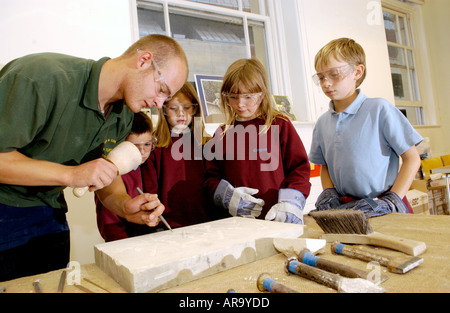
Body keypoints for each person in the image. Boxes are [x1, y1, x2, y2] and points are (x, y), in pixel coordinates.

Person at [0, 34, 188, 280]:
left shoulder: (122, 115)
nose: (158, 102)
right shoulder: (41, 78)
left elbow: (104, 175)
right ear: (143, 61)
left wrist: (124, 205)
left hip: (50, 213)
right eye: (161, 90)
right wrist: (70, 174)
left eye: (166, 98)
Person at [308, 38, 423, 217]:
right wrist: (329, 192)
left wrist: (393, 200)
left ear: (357, 72)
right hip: (347, 209)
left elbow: (412, 159)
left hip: (385, 206)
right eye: (321, 77)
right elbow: (326, 166)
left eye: (334, 74)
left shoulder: (380, 110)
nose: (326, 83)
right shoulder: (323, 123)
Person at [203, 58, 311, 224]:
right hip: (237, 223)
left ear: (262, 94)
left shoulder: (280, 125)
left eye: (248, 97)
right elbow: (210, 178)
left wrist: (291, 202)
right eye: (233, 97)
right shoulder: (222, 134)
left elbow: (299, 169)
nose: (240, 104)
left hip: (276, 220)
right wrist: (226, 196)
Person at [142, 82, 221, 228]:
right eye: (173, 108)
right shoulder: (155, 149)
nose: (181, 114)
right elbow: (150, 194)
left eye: (186, 108)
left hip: (208, 225)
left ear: (195, 109)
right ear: (164, 111)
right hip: (169, 228)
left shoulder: (207, 144)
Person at [96, 112, 158, 242]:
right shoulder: (111, 171)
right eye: (134, 146)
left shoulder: (148, 165)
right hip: (121, 242)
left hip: (147, 239)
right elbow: (109, 221)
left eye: (147, 145)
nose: (142, 152)